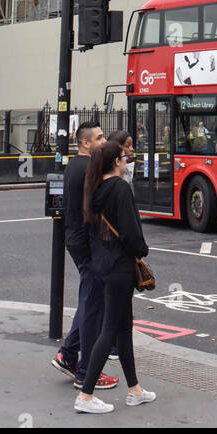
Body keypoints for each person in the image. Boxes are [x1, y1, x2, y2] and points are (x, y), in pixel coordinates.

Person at [75, 139, 155, 414]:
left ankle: (135, 390)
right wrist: (142, 250)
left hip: (103, 262)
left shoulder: (95, 188)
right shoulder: (120, 188)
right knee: (110, 330)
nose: (127, 158)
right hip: (120, 265)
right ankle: (85, 395)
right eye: (124, 155)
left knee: (123, 328)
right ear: (116, 162)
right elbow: (131, 231)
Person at [51, 122, 118, 392]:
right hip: (87, 242)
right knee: (93, 304)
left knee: (92, 297)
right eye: (100, 138)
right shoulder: (89, 168)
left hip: (76, 238)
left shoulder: (76, 166)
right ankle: (86, 372)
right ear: (85, 143)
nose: (104, 141)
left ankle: (68, 353)